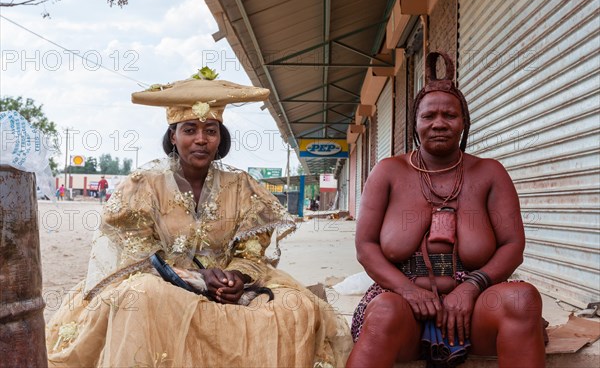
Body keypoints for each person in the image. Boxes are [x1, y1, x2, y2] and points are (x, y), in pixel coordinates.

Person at [46, 72, 352, 367]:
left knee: (295, 308)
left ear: (221, 138)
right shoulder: (142, 185)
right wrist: (196, 278)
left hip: (229, 290)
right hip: (161, 285)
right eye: (190, 129)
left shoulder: (242, 186)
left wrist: (236, 278)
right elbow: (138, 257)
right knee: (139, 296)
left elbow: (251, 254)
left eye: (210, 130)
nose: (201, 139)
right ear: (173, 136)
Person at [346, 52, 545, 368]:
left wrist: (471, 287)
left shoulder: (489, 173)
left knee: (522, 299)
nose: (439, 123)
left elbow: (512, 246)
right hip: (403, 307)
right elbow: (366, 247)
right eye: (429, 116)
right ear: (416, 123)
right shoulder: (388, 172)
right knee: (384, 312)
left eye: (450, 116)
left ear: (464, 122)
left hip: (475, 307)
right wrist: (407, 290)